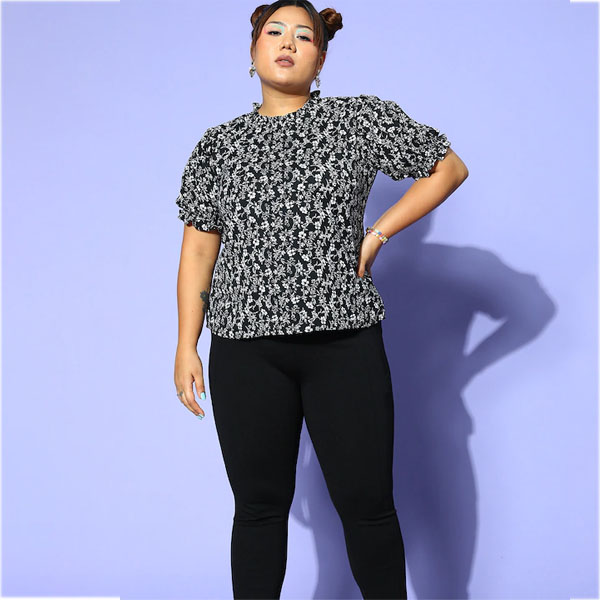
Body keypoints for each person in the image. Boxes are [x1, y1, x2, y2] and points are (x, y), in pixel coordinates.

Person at [173, 1, 469, 598]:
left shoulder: (358, 120)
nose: (287, 44)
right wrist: (186, 344)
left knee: (367, 506)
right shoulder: (218, 146)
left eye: (303, 37)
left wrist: (377, 233)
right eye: (274, 32)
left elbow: (449, 168)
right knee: (258, 509)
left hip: (344, 345)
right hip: (245, 350)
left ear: (322, 59)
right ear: (253, 51)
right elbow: (199, 249)